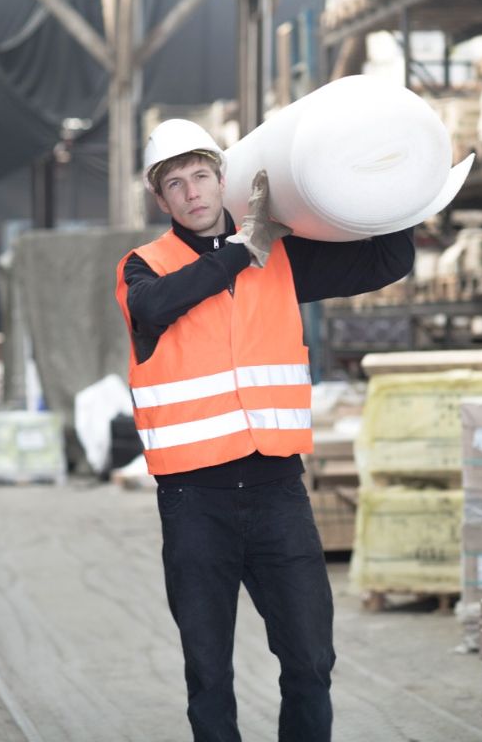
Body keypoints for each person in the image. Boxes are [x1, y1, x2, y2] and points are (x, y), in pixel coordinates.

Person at [114, 119, 415, 742]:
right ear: (160, 197)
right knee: (209, 676)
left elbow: (388, 260)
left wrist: (399, 184)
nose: (193, 192)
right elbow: (154, 308)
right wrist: (238, 253)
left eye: (201, 176)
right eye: (176, 183)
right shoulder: (143, 268)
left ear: (223, 180)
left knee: (310, 661)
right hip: (195, 501)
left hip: (278, 491)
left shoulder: (279, 256)